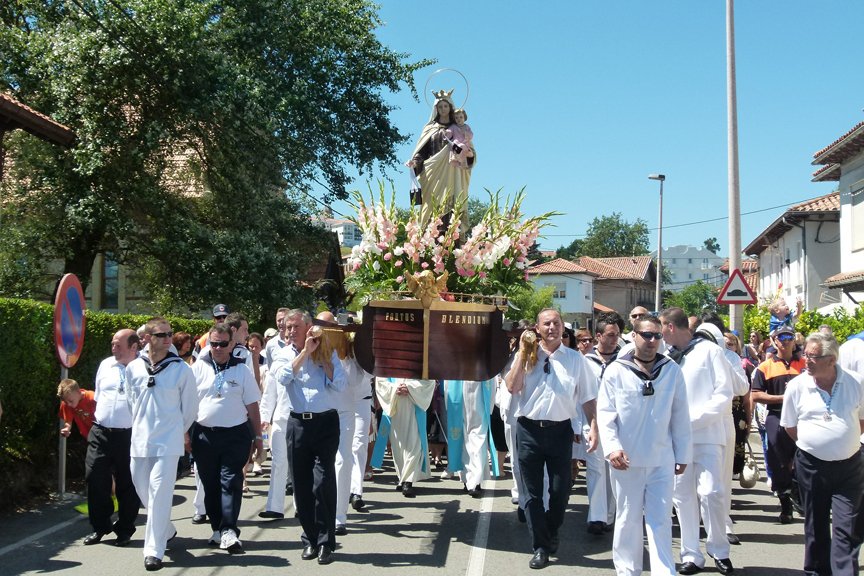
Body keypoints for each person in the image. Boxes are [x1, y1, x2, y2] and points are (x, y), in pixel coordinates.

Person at [598, 314, 692, 576]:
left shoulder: (671, 370)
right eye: (647, 335)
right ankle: (628, 570)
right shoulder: (617, 370)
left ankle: (664, 571)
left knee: (660, 520)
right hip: (626, 461)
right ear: (634, 336)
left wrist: (682, 453)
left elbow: (680, 414)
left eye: (657, 336)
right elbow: (605, 413)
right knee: (627, 519)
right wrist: (612, 448)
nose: (652, 341)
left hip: (661, 459)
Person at [505, 308, 598, 570]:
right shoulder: (526, 356)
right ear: (537, 328)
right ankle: (541, 546)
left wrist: (594, 426)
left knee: (559, 491)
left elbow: (588, 396)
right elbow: (512, 387)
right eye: (547, 324)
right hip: (529, 430)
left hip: (560, 431)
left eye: (556, 323)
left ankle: (552, 528)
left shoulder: (575, 359)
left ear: (562, 328)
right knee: (532, 493)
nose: (552, 328)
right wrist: (522, 355)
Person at [659, 307, 735, 575]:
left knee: (711, 492)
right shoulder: (665, 358)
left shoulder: (710, 351)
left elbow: (724, 393)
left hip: (706, 435)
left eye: (661, 328)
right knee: (682, 497)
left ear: (670, 327)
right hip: (675, 441)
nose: (659, 334)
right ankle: (691, 553)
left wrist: (694, 420)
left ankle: (719, 549)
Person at [781, 333, 864, 576]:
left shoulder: (855, 382)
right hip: (811, 465)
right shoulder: (797, 386)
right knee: (815, 525)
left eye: (813, 356)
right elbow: (789, 426)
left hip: (849, 467)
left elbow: (861, 421)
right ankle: (817, 571)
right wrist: (815, 444)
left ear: (831, 359)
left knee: (846, 526)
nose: (806, 360)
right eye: (805, 354)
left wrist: (841, 440)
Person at [271, 311, 346, 565]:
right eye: (287, 327)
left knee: (322, 482)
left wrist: (324, 360)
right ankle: (310, 539)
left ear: (308, 326)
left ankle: (326, 542)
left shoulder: (328, 350)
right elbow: (282, 377)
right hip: (298, 424)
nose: (290, 331)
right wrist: (304, 353)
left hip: (325, 422)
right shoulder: (283, 353)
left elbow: (341, 385)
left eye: (295, 327)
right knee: (301, 485)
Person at [126, 317, 198, 571]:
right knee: (142, 488)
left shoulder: (181, 369)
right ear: (147, 338)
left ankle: (153, 551)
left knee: (159, 494)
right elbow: (131, 403)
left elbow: (189, 409)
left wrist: (177, 431)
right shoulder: (134, 368)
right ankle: (165, 528)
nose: (168, 339)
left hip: (168, 442)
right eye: (161, 335)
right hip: (140, 440)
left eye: (169, 334)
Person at [191, 323, 263, 554]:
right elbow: (185, 404)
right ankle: (218, 528)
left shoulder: (241, 370)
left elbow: (252, 406)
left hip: (235, 434)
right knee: (210, 484)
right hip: (204, 436)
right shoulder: (198, 368)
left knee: (230, 481)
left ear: (232, 344)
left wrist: (258, 438)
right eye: (214, 343)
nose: (218, 348)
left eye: (223, 344)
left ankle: (230, 530)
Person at [81, 329, 141, 548]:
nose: (113, 347)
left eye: (118, 344)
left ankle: (124, 530)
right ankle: (100, 526)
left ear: (134, 347)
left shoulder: (144, 368)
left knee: (128, 483)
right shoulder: (105, 365)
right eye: (112, 343)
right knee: (94, 476)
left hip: (130, 435)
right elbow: (99, 394)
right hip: (101, 431)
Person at [750, 325, 805, 523]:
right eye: (781, 337)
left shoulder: (805, 365)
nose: (786, 340)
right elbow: (755, 394)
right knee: (778, 459)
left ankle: (800, 497)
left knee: (802, 457)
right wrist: (783, 398)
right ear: (774, 341)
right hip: (776, 415)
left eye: (789, 336)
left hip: (802, 417)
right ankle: (785, 504)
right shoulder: (765, 367)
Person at [580, 312, 624, 535]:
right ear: (598, 336)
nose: (615, 338)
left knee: (614, 471)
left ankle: (609, 515)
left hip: (618, 425)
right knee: (596, 469)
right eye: (610, 334)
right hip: (592, 423)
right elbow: (579, 395)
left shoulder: (625, 361)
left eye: (617, 334)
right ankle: (596, 517)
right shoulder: (586, 362)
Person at [406, 89, 475, 231]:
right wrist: (415, 162)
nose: (443, 109)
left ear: (450, 107)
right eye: (440, 106)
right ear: (436, 108)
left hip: (453, 173)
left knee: (452, 213)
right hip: (433, 175)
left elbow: (470, 151)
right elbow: (422, 152)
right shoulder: (430, 128)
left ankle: (452, 245)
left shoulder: (460, 128)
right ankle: (429, 244)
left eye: (446, 106)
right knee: (431, 210)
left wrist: (468, 154)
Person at [373, 377, 437, 496]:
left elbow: (429, 381)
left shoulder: (421, 358)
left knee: (414, 443)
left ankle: (408, 481)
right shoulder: (389, 358)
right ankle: (402, 477)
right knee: (398, 445)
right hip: (395, 405)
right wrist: (394, 388)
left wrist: (410, 388)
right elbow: (381, 380)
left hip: (414, 404)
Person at [444, 379, 499, 497]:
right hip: (458, 390)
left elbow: (491, 375)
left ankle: (476, 480)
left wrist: (490, 402)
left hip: (478, 391)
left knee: (478, 438)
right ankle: (465, 477)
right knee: (462, 439)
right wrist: (448, 402)